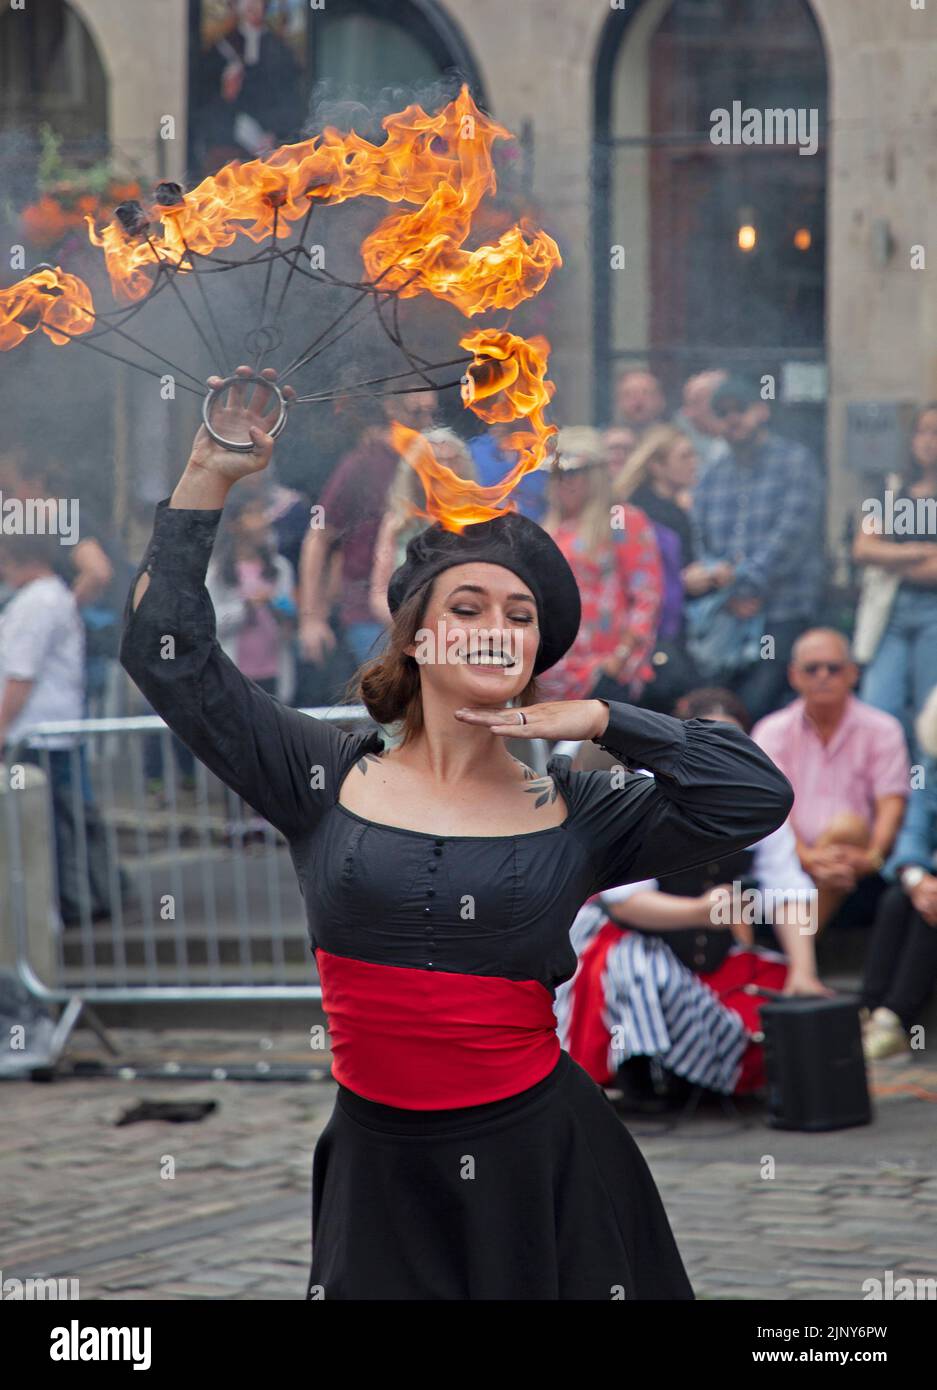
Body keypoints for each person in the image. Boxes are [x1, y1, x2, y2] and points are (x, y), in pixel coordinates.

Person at [119, 363, 794, 1300]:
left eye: (519, 617)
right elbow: (168, 657)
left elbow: (751, 795)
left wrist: (608, 721)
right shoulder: (322, 775)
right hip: (379, 1175)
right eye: (466, 609)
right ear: (417, 639)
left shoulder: (579, 809)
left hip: (543, 1165)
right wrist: (206, 477)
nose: (494, 629)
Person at [556, 688, 829, 1104]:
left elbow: (785, 887)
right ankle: (638, 1071)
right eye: (713, 745)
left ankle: (699, 1075)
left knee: (772, 993)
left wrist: (804, 973)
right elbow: (624, 900)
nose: (725, 758)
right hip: (640, 939)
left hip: (717, 950)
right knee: (643, 977)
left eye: (734, 745)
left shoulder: (761, 801)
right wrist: (700, 912)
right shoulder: (643, 790)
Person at [751, 629, 909, 932]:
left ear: (852, 674)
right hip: (787, 861)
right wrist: (807, 857)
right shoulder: (771, 731)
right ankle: (801, 955)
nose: (823, 676)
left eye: (833, 668)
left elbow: (892, 804)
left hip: (860, 866)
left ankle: (797, 955)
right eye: (812, 669)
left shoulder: (883, 729)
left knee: (847, 828)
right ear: (794, 675)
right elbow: (767, 809)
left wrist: (872, 856)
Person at [691, 374, 826, 723]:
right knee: (715, 706)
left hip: (783, 608)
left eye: (741, 409)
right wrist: (728, 593)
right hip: (728, 615)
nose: (733, 419)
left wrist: (741, 584)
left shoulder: (795, 463)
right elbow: (702, 545)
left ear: (761, 411)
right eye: (723, 412)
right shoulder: (711, 475)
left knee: (758, 706)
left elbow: (790, 540)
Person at [0, 530, 113, 925]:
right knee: (61, 822)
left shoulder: (38, 602)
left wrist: (0, 727)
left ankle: (66, 909)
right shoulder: (50, 597)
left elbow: (21, 675)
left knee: (47, 827)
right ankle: (78, 903)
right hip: (51, 732)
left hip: (37, 733)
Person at [298, 389, 437, 671]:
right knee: (394, 703)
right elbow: (318, 535)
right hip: (369, 616)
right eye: (416, 413)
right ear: (392, 409)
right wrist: (311, 619)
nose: (426, 422)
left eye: (431, 413)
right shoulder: (363, 463)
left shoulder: (439, 461)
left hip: (431, 615)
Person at [538, 427, 663, 707]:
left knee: (597, 750)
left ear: (594, 475)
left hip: (604, 671)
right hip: (551, 673)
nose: (562, 482)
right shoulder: (548, 528)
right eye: (556, 474)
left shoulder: (622, 520)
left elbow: (647, 596)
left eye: (572, 473)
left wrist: (621, 658)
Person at [613, 424, 732, 713]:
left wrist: (709, 581)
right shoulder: (640, 513)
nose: (695, 464)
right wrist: (684, 582)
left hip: (672, 630)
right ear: (657, 465)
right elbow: (640, 579)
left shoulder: (677, 511)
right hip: (649, 635)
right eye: (685, 457)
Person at [852, 402, 937, 759]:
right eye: (923, 431)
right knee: (878, 707)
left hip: (933, 613)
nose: (929, 441)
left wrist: (892, 558)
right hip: (891, 610)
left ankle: (922, 809)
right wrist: (918, 552)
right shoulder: (891, 488)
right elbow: (864, 548)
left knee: (929, 717)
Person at [859, 690, 937, 1060]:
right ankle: (870, 1009)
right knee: (896, 898)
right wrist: (916, 877)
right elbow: (914, 830)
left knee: (930, 912)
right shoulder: (931, 765)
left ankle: (892, 1019)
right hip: (930, 877)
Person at [369, 428, 478, 627]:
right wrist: (407, 628)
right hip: (405, 630)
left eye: (451, 461)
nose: (443, 469)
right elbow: (378, 593)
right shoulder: (397, 524)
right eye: (434, 461)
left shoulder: (479, 523)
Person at [206, 488, 297, 702]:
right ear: (233, 524)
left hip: (273, 673)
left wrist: (277, 604)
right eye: (253, 514)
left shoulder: (279, 568)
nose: (263, 520)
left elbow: (290, 617)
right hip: (234, 675)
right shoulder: (217, 574)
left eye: (262, 512)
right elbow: (210, 623)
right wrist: (244, 607)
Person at [468, 419, 548, 522]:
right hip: (489, 525)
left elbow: (546, 494)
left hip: (536, 525)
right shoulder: (476, 451)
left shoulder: (540, 453)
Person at [672, 370, 730, 480]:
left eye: (696, 402)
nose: (687, 413)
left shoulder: (741, 437)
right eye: (687, 404)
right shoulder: (677, 436)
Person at [611, 368, 667, 437]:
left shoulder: (674, 441)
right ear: (618, 401)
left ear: (660, 400)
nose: (638, 400)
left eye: (646, 393)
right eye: (629, 394)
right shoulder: (605, 441)